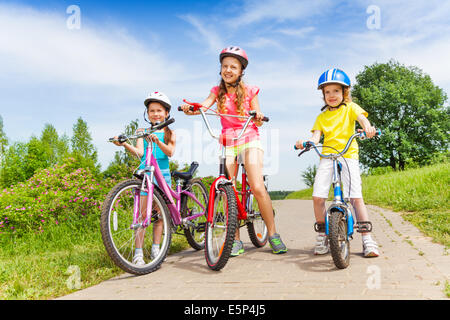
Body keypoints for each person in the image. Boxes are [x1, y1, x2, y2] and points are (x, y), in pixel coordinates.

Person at [181, 46, 287, 255]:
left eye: (233, 67)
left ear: (241, 71)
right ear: (220, 69)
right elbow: (204, 106)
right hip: (228, 141)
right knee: (229, 187)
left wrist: (257, 115)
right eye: (225, 66)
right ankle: (235, 239)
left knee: (256, 186)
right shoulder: (216, 91)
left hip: (249, 139)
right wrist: (191, 108)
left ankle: (273, 233)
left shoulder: (250, 90)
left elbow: (258, 113)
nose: (228, 70)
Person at [295, 68, 380, 257]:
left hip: (348, 155)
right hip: (327, 157)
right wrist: (306, 142)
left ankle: (367, 240)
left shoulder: (351, 108)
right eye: (327, 92)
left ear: (344, 92)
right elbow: (316, 137)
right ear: (323, 95)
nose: (331, 95)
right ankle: (322, 235)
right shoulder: (321, 117)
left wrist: (368, 128)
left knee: (355, 197)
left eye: (336, 91)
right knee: (318, 197)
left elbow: (362, 120)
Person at [113, 91, 176, 265]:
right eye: (152, 111)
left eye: (159, 110)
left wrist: (158, 141)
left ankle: (156, 247)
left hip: (162, 176)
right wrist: (125, 143)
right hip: (146, 176)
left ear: (166, 113)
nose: (155, 114)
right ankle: (138, 253)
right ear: (147, 114)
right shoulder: (142, 131)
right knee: (141, 216)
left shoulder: (170, 133)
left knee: (159, 215)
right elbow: (139, 153)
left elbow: (170, 152)